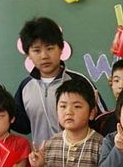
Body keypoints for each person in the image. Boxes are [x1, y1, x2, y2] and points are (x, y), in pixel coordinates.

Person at [13, 17, 106, 148]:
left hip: (79, 156)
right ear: (28, 54)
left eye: (50, 48)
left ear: (61, 48)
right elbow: (23, 126)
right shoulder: (25, 87)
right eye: (36, 50)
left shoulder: (79, 81)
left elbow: (103, 120)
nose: (44, 56)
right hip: (41, 157)